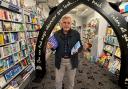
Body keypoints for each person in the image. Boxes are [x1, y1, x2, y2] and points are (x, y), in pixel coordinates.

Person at [47, 15, 83, 89]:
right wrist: (51, 47)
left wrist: (78, 49)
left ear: (71, 24)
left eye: (68, 23)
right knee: (58, 81)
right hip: (60, 60)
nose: (66, 24)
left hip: (72, 60)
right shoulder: (56, 34)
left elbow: (80, 47)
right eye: (64, 22)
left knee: (71, 81)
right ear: (61, 23)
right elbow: (54, 48)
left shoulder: (76, 34)